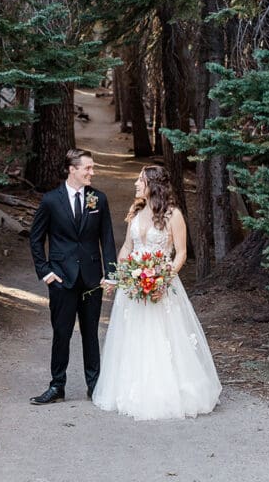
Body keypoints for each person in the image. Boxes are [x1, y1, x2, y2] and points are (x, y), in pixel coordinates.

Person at [92, 164, 222, 420]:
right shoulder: (136, 211)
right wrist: (118, 277)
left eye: (140, 180)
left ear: (154, 185)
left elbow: (182, 253)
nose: (136, 184)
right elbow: (128, 248)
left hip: (162, 286)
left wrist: (162, 280)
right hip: (134, 287)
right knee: (133, 337)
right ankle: (130, 389)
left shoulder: (173, 215)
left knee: (162, 337)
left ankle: (165, 392)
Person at [29, 147, 117, 404]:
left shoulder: (98, 199)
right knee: (62, 333)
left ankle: (95, 385)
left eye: (92, 168)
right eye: (88, 168)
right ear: (72, 170)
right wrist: (45, 272)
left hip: (91, 278)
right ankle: (57, 386)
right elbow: (36, 239)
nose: (92, 172)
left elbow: (107, 238)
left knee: (91, 333)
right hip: (61, 279)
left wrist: (110, 274)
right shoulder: (50, 200)